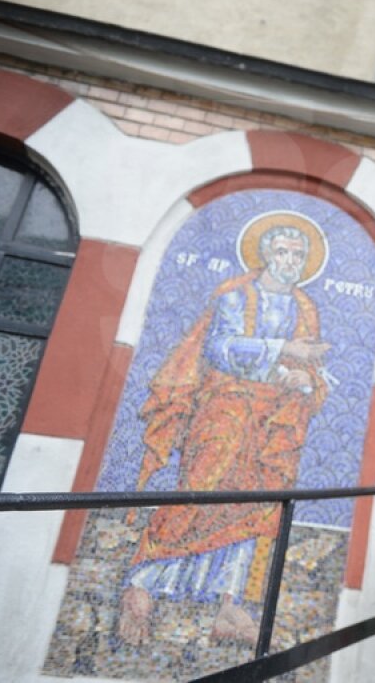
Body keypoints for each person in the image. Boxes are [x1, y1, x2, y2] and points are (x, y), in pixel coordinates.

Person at [117, 215, 331, 645]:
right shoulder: (235, 296)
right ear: (265, 254)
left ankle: (228, 607)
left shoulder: (306, 308)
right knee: (199, 493)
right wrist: (281, 350)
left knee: (255, 506)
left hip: (270, 423)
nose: (291, 260)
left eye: (299, 254)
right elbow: (220, 347)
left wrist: (303, 380)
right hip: (224, 413)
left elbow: (311, 368)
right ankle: (142, 583)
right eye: (283, 251)